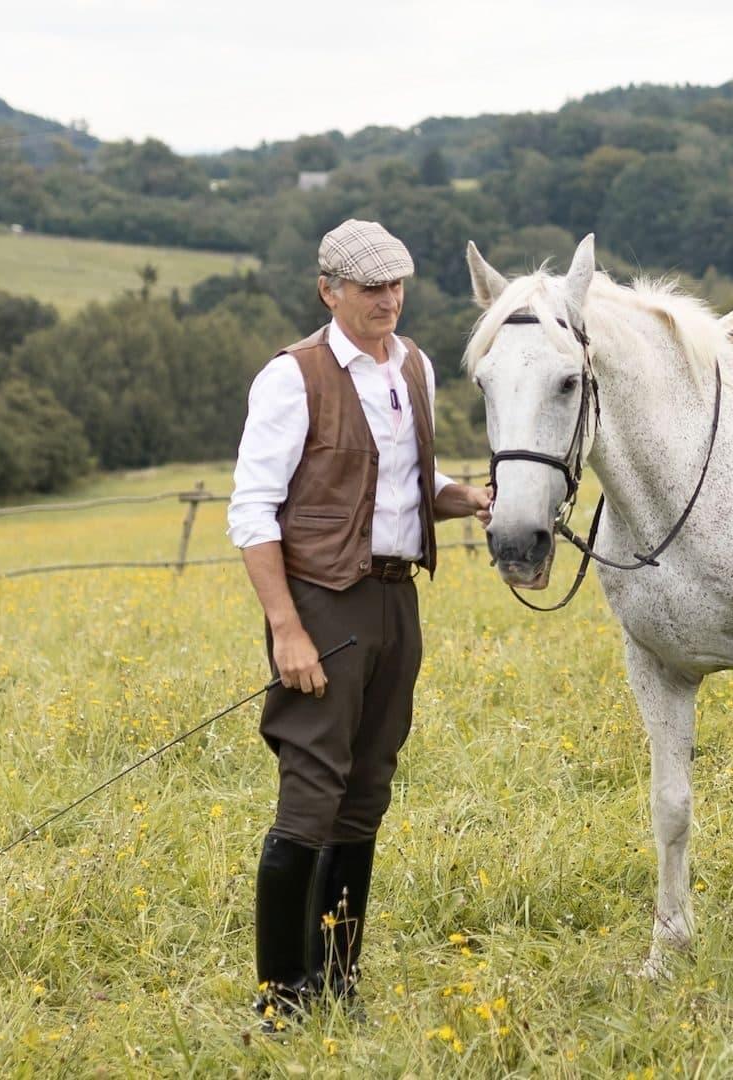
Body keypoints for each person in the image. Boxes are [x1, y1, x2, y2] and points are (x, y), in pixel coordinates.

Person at [226, 219, 491, 1029]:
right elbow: (253, 511)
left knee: (367, 789)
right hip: (322, 604)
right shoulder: (292, 377)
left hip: (396, 599)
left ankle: (338, 984)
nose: (388, 300)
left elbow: (409, 478)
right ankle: (281, 1000)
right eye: (370, 287)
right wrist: (286, 629)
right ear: (328, 290)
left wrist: (470, 497)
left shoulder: (415, 366)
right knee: (312, 789)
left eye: (397, 285)